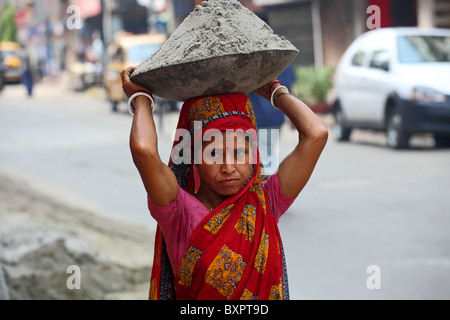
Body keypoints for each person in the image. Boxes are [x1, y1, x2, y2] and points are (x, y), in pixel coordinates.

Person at [121, 65, 328, 300]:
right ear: (194, 159)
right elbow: (144, 151)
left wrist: (273, 89)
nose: (229, 167)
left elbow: (316, 134)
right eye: (214, 154)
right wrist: (141, 97)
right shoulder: (178, 212)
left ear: (254, 155)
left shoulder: (266, 202)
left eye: (240, 152)